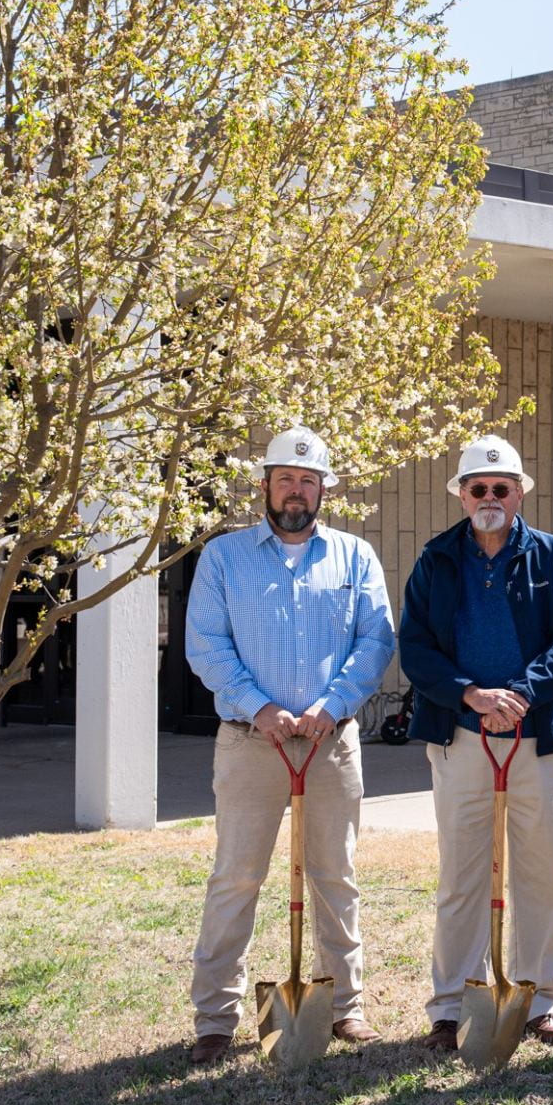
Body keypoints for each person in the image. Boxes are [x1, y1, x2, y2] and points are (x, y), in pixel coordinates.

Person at [182, 426, 395, 1064]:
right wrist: (262, 707)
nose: (296, 491)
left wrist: (332, 706)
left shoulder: (355, 558)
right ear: (266, 487)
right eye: (285, 479)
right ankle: (215, 1019)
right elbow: (205, 644)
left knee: (336, 877)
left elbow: (376, 641)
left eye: (308, 480)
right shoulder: (224, 558)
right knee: (236, 877)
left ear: (324, 488)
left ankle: (344, 1008)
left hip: (330, 746)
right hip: (252, 744)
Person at [398, 434, 553, 1052]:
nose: (489, 497)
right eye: (478, 488)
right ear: (462, 495)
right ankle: (452, 1006)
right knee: (462, 874)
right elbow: (416, 648)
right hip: (461, 736)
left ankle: (540, 1000)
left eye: (501, 488)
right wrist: (471, 695)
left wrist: (519, 692)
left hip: (540, 738)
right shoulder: (435, 560)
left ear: (519, 495)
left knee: (544, 874)